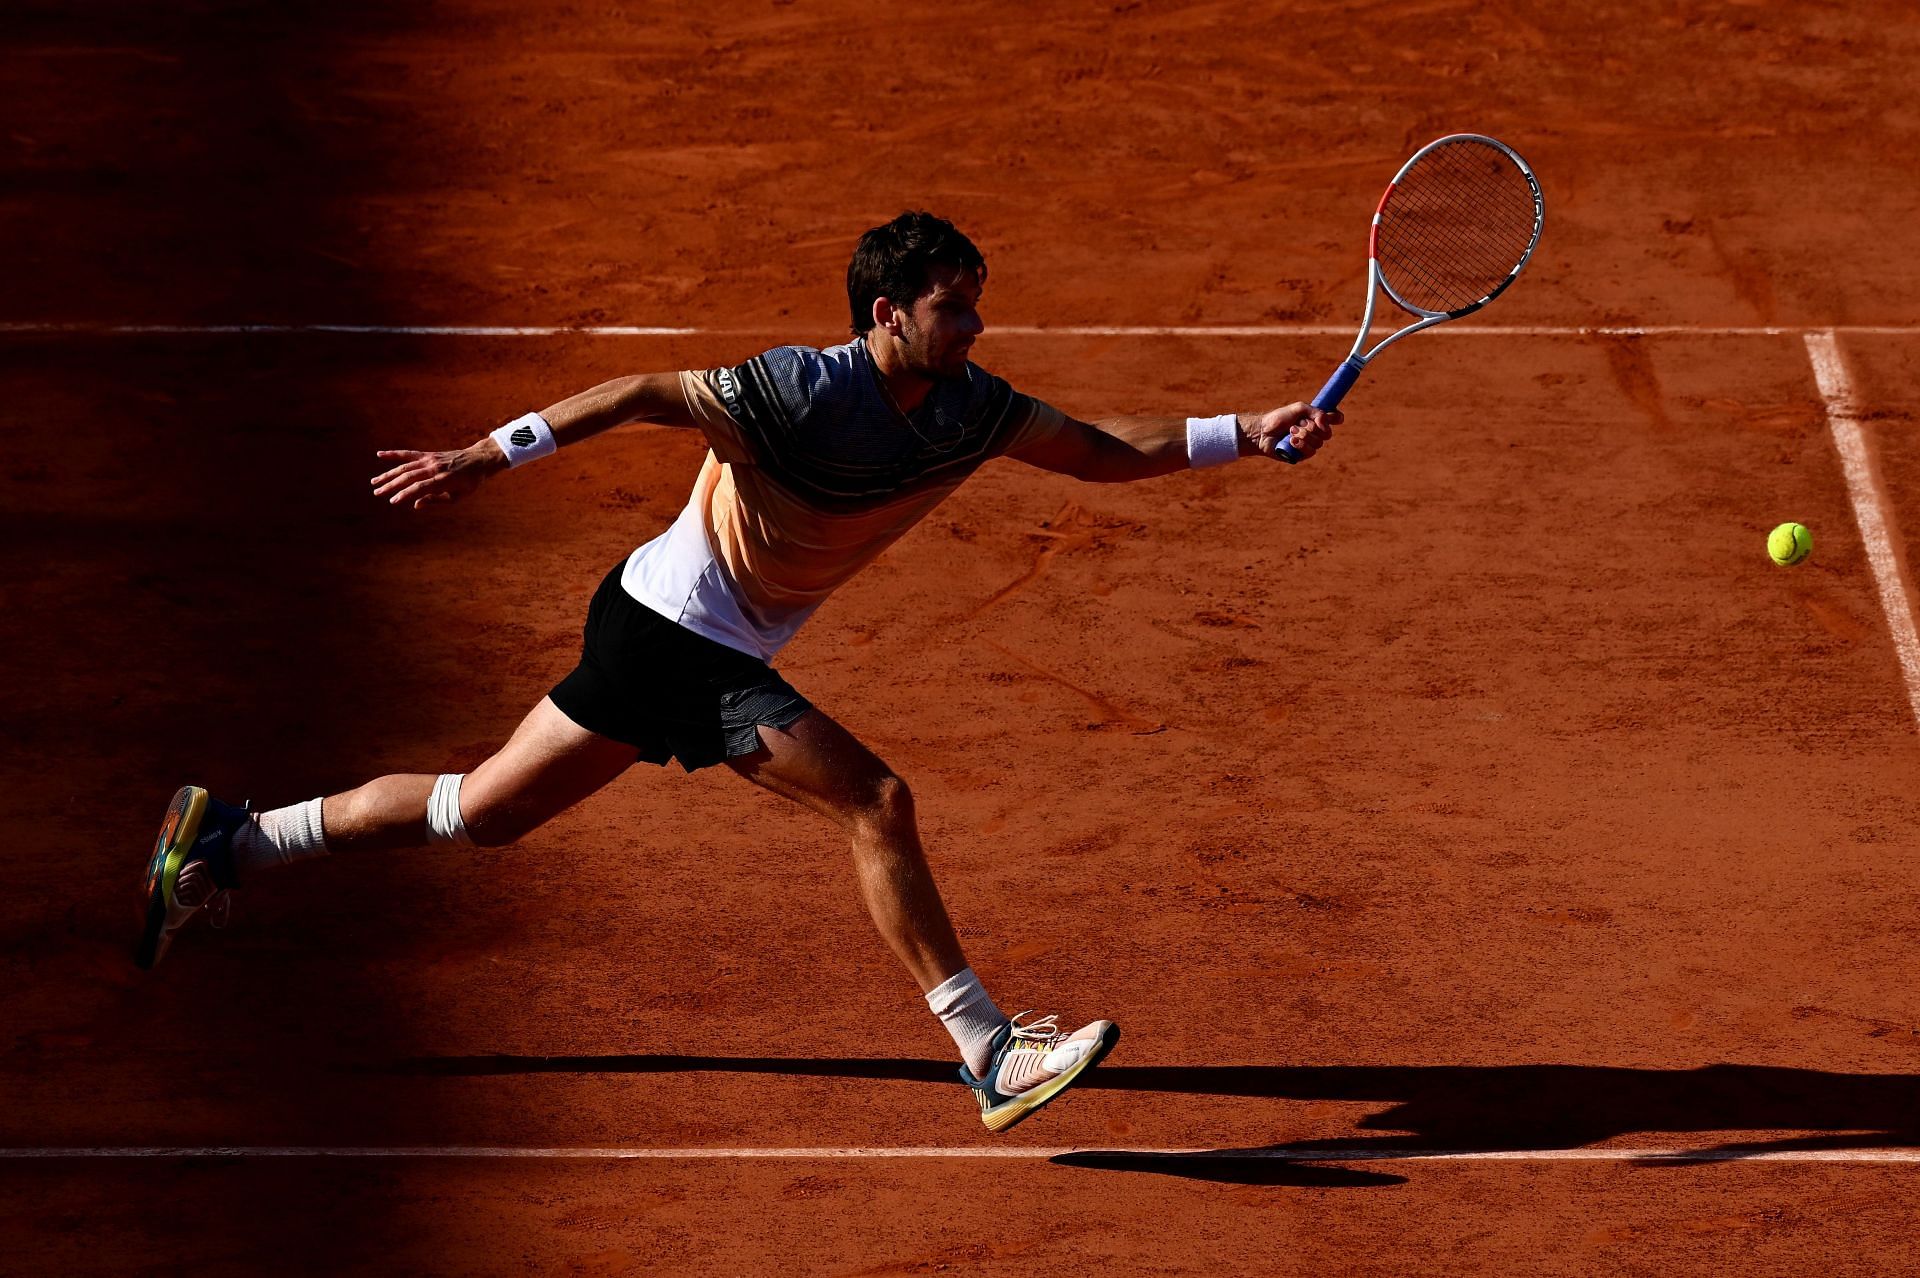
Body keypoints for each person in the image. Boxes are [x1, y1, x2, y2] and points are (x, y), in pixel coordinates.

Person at [137, 211, 1340, 1133]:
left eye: (975, 308)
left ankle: (229, 840)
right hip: (679, 636)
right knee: (874, 801)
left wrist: (1247, 432)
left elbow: (1094, 451)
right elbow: (647, 391)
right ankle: (987, 1050)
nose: (973, 329)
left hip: (663, 626)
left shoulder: (971, 407)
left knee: (482, 810)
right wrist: (484, 457)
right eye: (951, 309)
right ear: (884, 314)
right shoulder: (793, 389)